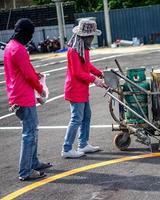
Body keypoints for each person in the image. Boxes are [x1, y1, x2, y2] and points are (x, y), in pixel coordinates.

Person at [4, 18, 52, 181]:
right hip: (23, 97)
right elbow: (28, 75)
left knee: (32, 131)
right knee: (29, 134)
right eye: (30, 34)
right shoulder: (19, 50)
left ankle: (34, 162)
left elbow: (25, 69)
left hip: (16, 95)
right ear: (25, 34)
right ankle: (25, 171)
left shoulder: (11, 46)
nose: (31, 38)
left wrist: (35, 74)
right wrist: (41, 90)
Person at [61, 19, 106, 158]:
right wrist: (95, 79)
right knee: (76, 119)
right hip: (75, 89)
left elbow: (87, 66)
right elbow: (78, 73)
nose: (92, 38)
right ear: (84, 36)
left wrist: (100, 73)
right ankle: (67, 148)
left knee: (86, 116)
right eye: (91, 36)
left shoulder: (83, 48)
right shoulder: (74, 50)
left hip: (82, 89)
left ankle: (83, 144)